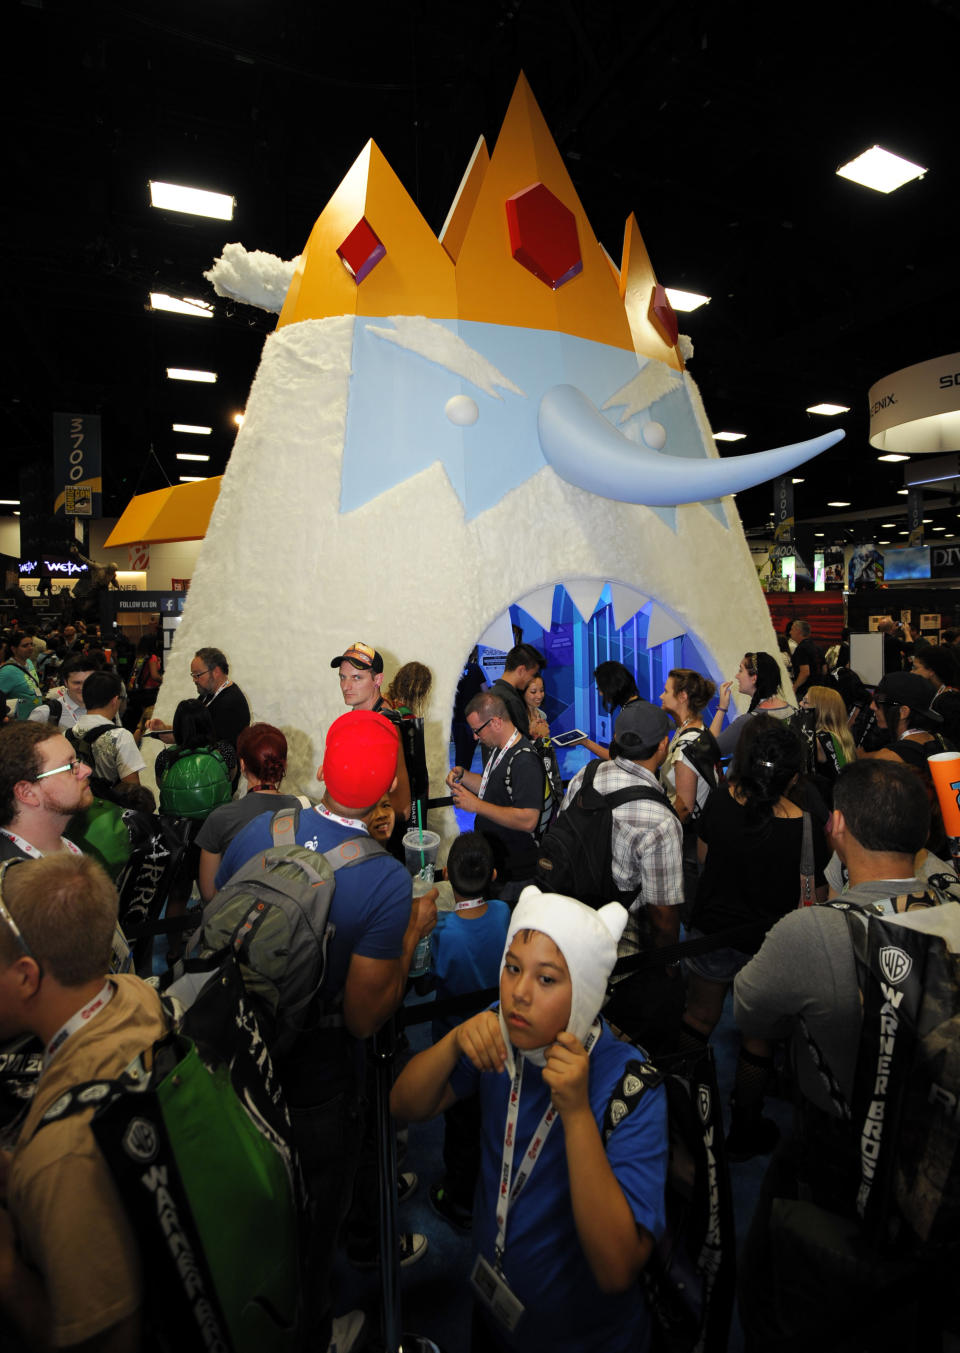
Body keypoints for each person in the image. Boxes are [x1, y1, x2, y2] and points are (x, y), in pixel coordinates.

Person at [215, 710, 437, 1320]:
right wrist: (413, 931)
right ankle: (311, 1327)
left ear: (319, 769)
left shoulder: (262, 829)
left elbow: (222, 914)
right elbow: (368, 1017)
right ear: (391, 788)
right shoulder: (384, 878)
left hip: (239, 1042)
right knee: (316, 1216)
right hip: (317, 1069)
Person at [390, 886, 667, 1353]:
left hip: (584, 1338)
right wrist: (456, 1039)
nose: (518, 993)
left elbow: (617, 1267)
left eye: (547, 979)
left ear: (584, 995)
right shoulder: (505, 1032)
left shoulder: (632, 1090)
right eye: (513, 968)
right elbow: (404, 1105)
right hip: (493, 1306)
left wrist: (576, 1112)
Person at [733, 759, 943, 1349]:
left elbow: (748, 1013)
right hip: (933, 1147)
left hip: (834, 1153)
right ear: (923, 836)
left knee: (782, 1300)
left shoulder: (814, 933)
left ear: (838, 827)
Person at [0, 852, 167, 1350]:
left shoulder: (60, 1160)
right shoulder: (133, 993)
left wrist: (6, 1268)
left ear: (28, 977)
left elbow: (109, 1340)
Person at [679, 715, 829, 1158]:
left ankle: (679, 1104)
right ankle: (746, 1124)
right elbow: (815, 894)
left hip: (712, 932)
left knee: (698, 1017)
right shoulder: (805, 826)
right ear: (795, 777)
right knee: (757, 1035)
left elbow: (704, 860)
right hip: (769, 945)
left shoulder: (723, 804)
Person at [559, 701, 684, 1053]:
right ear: (662, 746)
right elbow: (663, 917)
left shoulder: (586, 777)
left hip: (572, 931)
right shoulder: (662, 821)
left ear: (616, 738)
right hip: (623, 958)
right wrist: (669, 969)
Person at [422, 832, 510, 1231]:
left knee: (460, 1128)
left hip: (456, 1051)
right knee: (493, 1119)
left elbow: (425, 981)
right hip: (500, 1040)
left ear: (447, 878)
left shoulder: (443, 933)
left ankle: (458, 1200)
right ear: (492, 874)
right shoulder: (504, 913)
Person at [446, 692, 545, 901]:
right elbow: (492, 785)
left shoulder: (524, 760)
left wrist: (477, 806)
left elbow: (528, 819)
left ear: (496, 722)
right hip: (499, 865)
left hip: (516, 874)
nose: (475, 737)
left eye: (477, 730)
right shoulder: (500, 750)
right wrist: (463, 775)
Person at [196, 723, 305, 901]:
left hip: (234, 918)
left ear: (242, 764)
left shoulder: (220, 818)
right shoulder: (302, 809)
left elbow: (209, 893)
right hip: (288, 916)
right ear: (282, 764)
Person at [330, 641, 412, 832]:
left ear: (378, 680)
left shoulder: (383, 726)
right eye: (342, 677)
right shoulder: (362, 718)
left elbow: (403, 807)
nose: (346, 686)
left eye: (357, 678)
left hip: (377, 836)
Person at [709, 651, 794, 757]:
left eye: (741, 670)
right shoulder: (793, 711)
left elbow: (710, 750)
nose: (737, 676)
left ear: (754, 678)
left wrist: (722, 708)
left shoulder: (748, 722)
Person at [70, 670, 146, 790]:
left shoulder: (66, 734)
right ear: (115, 700)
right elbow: (132, 789)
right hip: (109, 807)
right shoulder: (120, 736)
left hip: (77, 804)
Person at [575, 660, 640, 761]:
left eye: (601, 689)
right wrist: (584, 742)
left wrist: (584, 742)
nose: (601, 694)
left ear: (611, 687)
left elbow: (614, 758)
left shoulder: (629, 716)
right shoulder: (633, 708)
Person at [523, 674, 563, 831]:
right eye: (533, 692)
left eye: (541, 690)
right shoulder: (520, 721)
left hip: (549, 771)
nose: (539, 695)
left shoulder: (543, 715)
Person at [801, 684, 855, 793]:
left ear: (820, 711)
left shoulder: (819, 741)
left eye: (805, 702)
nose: (800, 704)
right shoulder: (841, 736)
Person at [486, 643, 544, 742]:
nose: (531, 679)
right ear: (521, 670)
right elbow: (521, 745)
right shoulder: (511, 700)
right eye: (532, 675)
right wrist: (537, 734)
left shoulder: (492, 693)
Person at [27, 654, 98, 729]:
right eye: (77, 683)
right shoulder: (45, 713)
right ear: (66, 682)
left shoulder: (105, 708)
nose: (84, 687)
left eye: (89, 682)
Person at [0, 634, 41, 721]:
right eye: (25, 646)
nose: (30, 648)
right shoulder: (7, 670)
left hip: (35, 717)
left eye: (31, 644)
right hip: (18, 722)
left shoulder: (29, 662)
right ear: (14, 649)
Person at [788, 619, 825, 700]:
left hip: (805, 692)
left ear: (799, 631)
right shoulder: (818, 647)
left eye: (792, 629)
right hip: (819, 690)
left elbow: (805, 672)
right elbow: (824, 670)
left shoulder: (801, 648)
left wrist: (795, 687)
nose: (790, 632)